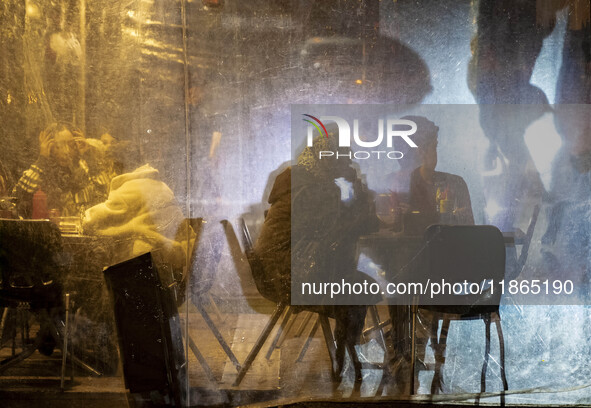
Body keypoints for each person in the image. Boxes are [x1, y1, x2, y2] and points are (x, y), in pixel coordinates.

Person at [256, 127, 379, 382]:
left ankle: (349, 350)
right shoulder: (315, 189)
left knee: (356, 282)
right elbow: (337, 233)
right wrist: (359, 188)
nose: (348, 161)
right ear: (329, 158)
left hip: (277, 271)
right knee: (360, 286)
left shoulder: (299, 178)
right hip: (293, 276)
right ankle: (349, 356)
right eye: (342, 156)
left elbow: (332, 228)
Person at [384, 116, 474, 394]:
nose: (430, 152)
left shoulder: (453, 184)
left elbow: (469, 228)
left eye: (432, 145)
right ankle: (405, 346)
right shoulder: (396, 185)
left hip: (442, 273)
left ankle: (408, 345)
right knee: (401, 273)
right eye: (425, 146)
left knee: (405, 274)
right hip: (412, 271)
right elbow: (385, 231)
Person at [12, 123, 111, 218]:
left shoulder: (82, 170)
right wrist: (42, 160)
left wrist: (88, 156)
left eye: (72, 145)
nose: (66, 151)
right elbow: (17, 196)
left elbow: (104, 196)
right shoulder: (39, 172)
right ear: (49, 147)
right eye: (59, 146)